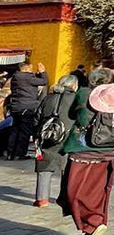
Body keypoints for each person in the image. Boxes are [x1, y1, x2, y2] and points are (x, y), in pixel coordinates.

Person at [58, 68, 114, 235]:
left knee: (75, 191)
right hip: (108, 152)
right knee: (99, 192)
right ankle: (93, 228)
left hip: (82, 151)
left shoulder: (83, 94)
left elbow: (70, 115)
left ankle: (92, 225)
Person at [34, 75, 78, 208]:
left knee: (44, 167)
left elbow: (37, 117)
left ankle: (41, 199)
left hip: (47, 136)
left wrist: (37, 134)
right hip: (68, 137)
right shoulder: (76, 100)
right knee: (68, 169)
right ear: (74, 86)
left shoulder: (48, 98)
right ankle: (65, 198)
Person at [6, 58, 48, 160]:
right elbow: (44, 81)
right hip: (27, 107)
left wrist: (36, 75)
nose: (32, 70)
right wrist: (43, 72)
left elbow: (29, 85)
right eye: (31, 68)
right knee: (25, 131)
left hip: (16, 107)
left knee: (15, 130)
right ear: (26, 68)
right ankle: (20, 154)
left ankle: (10, 153)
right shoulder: (27, 77)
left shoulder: (15, 77)